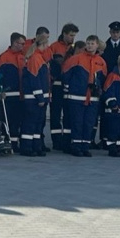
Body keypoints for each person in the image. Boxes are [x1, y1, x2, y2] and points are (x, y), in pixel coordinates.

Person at [61, 37, 107, 157]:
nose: (90, 46)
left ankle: (85, 146)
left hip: (93, 98)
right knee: (77, 123)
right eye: (88, 43)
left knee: (89, 123)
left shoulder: (101, 61)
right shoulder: (76, 59)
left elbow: (103, 78)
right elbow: (66, 74)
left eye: (92, 43)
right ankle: (76, 147)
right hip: (76, 96)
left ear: (97, 45)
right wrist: (68, 90)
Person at [0, 33, 28, 150]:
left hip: (21, 96)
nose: (24, 46)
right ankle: (9, 143)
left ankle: (15, 143)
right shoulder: (4, 57)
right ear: (14, 43)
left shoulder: (23, 57)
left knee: (19, 120)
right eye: (22, 44)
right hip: (9, 96)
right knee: (10, 121)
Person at [47, 23, 78, 151]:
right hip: (57, 85)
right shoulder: (54, 47)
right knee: (55, 113)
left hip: (69, 85)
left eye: (74, 36)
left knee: (68, 113)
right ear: (64, 34)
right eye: (71, 35)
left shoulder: (75, 47)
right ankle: (56, 141)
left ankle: (66, 140)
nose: (72, 38)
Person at [19, 36, 51, 157]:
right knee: (30, 124)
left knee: (38, 124)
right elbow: (35, 80)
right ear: (43, 45)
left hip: (37, 99)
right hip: (34, 100)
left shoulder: (38, 58)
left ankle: (35, 146)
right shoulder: (36, 59)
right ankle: (26, 147)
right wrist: (40, 98)